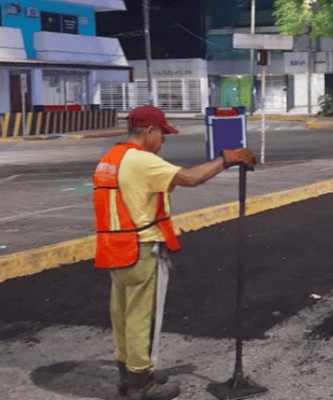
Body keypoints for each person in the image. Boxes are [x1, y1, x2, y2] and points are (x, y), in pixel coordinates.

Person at [93, 105, 256, 400]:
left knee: (123, 314)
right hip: (141, 249)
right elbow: (191, 178)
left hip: (116, 248)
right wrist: (226, 160)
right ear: (149, 131)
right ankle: (142, 384)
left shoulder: (111, 158)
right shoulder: (141, 160)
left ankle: (128, 374)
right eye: (162, 133)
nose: (164, 140)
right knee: (145, 317)